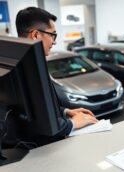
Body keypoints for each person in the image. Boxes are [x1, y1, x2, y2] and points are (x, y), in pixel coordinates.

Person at [14, 7, 98, 146]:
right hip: (41, 151)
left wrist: (65, 111)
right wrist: (71, 124)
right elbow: (39, 124)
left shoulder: (28, 63)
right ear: (35, 35)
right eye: (52, 34)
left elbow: (37, 107)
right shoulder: (27, 69)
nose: (54, 41)